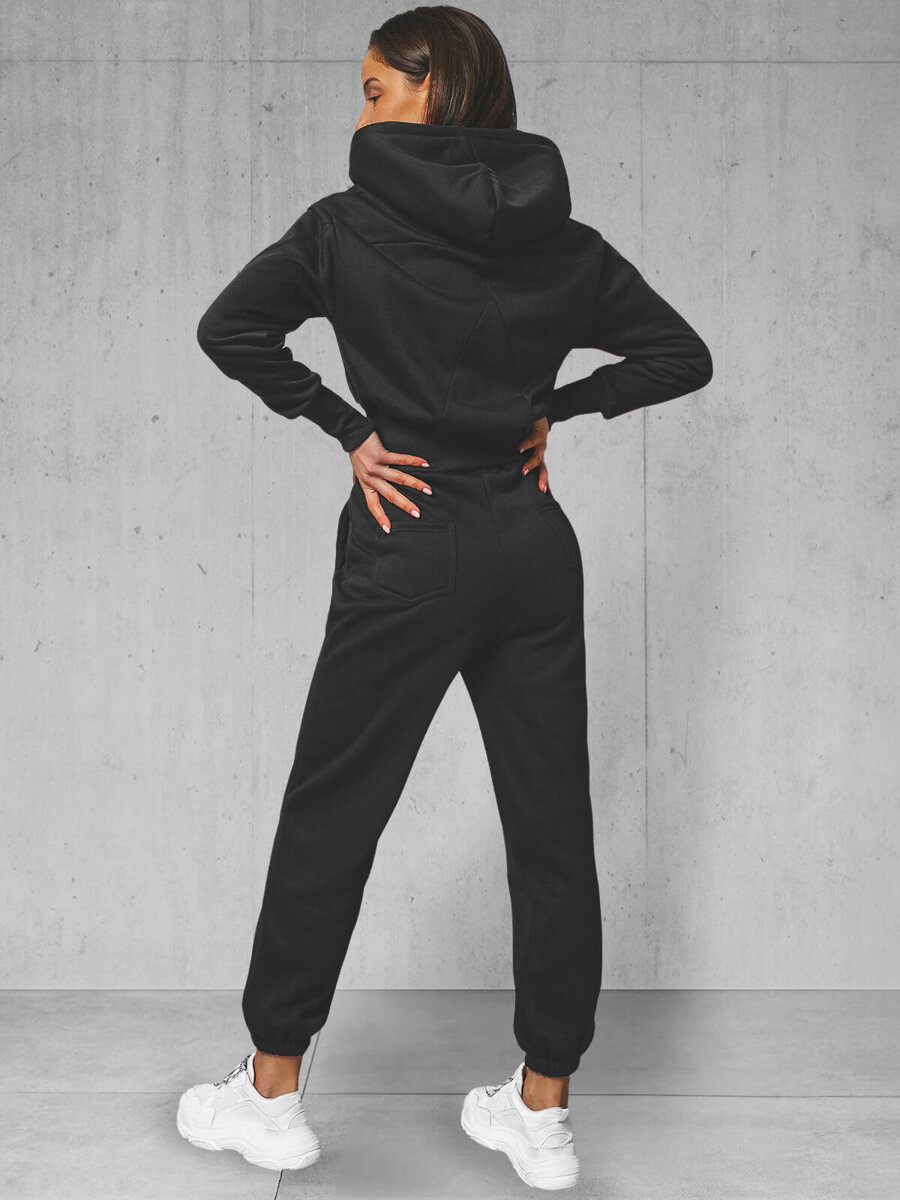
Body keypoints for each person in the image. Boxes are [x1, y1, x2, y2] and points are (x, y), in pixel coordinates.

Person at [176, 5, 713, 1189]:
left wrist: (348, 428)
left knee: (335, 811)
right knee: (552, 827)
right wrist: (555, 410)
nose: (363, 109)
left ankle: (270, 1095)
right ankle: (544, 1110)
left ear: (433, 90)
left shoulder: (345, 227)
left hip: (406, 544)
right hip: (530, 544)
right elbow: (683, 354)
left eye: (377, 88)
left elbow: (231, 328)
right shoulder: (565, 243)